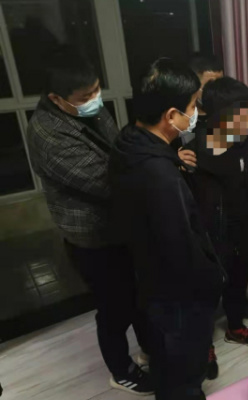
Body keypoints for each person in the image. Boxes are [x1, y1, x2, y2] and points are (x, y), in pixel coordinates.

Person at [26, 47, 153, 395]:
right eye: (86, 96)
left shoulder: (90, 110)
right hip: (93, 236)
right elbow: (105, 182)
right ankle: (121, 370)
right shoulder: (47, 134)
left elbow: (119, 147)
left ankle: (149, 351)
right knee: (114, 308)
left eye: (97, 89)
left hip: (122, 225)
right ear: (56, 98)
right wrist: (154, 165)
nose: (95, 99)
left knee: (137, 295)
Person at [109, 58, 225, 400]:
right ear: (172, 115)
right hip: (177, 296)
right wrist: (213, 280)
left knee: (165, 362)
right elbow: (181, 247)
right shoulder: (159, 175)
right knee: (184, 375)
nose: (196, 113)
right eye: (192, 106)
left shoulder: (129, 142)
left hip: (150, 281)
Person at [179, 77, 248, 379]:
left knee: (239, 279)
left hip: (244, 225)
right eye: (236, 116)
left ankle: (234, 327)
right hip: (210, 232)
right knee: (206, 290)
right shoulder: (193, 153)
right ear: (216, 117)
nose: (246, 122)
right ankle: (204, 344)